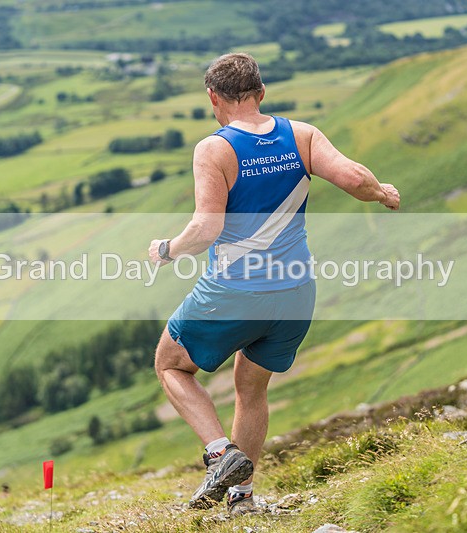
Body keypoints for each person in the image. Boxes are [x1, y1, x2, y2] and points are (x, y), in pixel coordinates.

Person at [148, 53, 400, 514]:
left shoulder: (214, 149)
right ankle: (241, 499)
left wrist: (167, 249)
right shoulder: (301, 135)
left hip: (237, 289)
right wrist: (382, 192)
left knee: (170, 364)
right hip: (295, 293)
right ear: (261, 92)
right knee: (252, 387)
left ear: (212, 98)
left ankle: (221, 455)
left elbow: (206, 230)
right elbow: (354, 177)